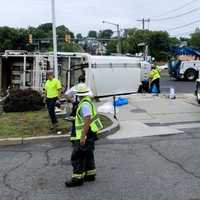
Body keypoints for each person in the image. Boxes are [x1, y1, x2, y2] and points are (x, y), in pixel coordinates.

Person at [65, 83, 103, 187]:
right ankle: (90, 174)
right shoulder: (87, 101)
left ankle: (77, 179)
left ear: (78, 94)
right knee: (88, 154)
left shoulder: (84, 105)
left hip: (86, 133)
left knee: (77, 156)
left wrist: (82, 136)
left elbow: (87, 120)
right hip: (91, 132)